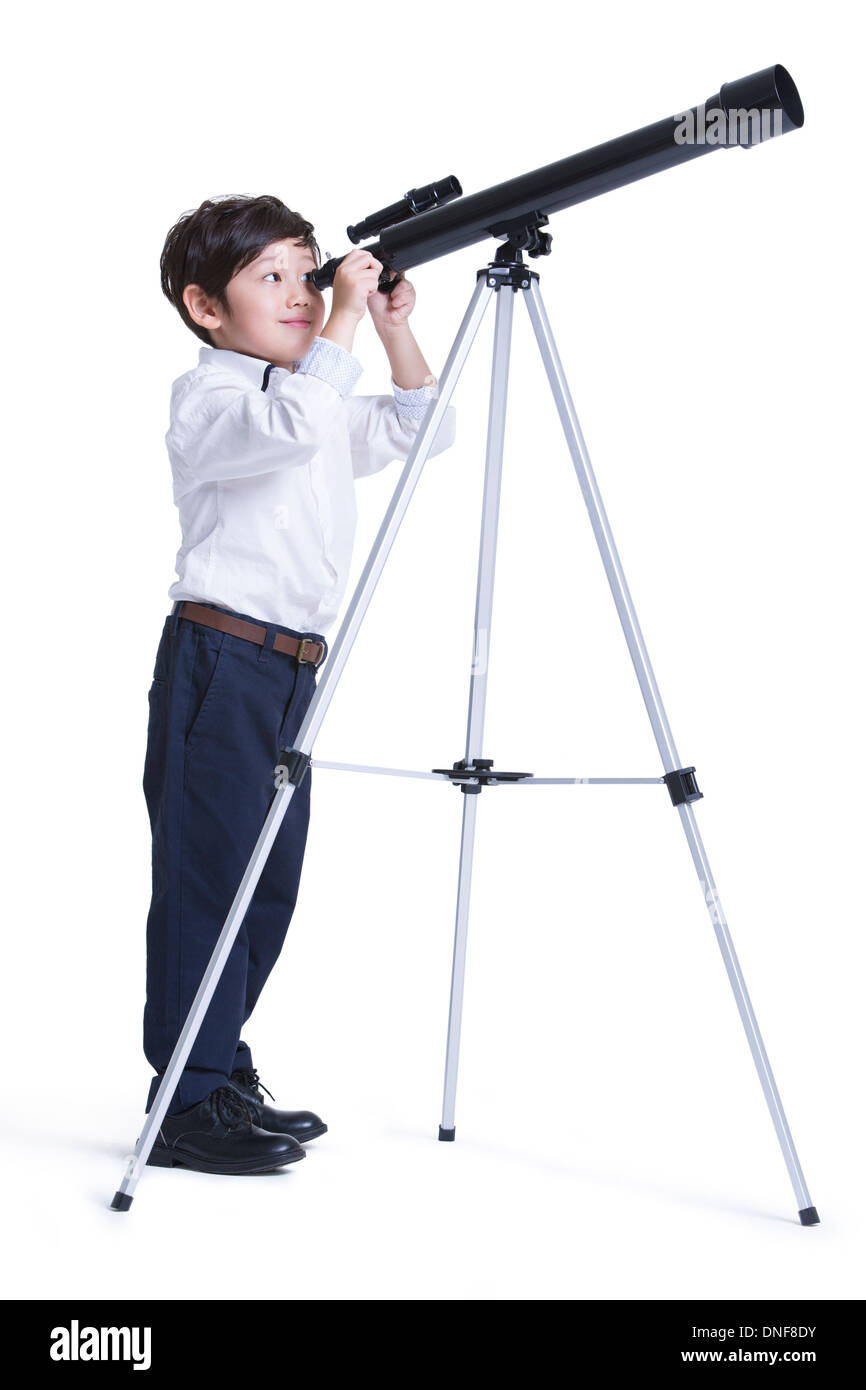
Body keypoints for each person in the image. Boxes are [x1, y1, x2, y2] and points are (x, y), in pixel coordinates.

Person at [141, 193, 457, 1175]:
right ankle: (185, 1103)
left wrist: (394, 332)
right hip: (220, 664)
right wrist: (344, 322)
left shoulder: (311, 396)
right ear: (204, 306)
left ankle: (219, 1072)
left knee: (265, 887)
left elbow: (422, 430)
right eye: (269, 277)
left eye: (306, 271)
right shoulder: (215, 399)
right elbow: (288, 427)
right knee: (209, 885)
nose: (299, 294)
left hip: (291, 673)